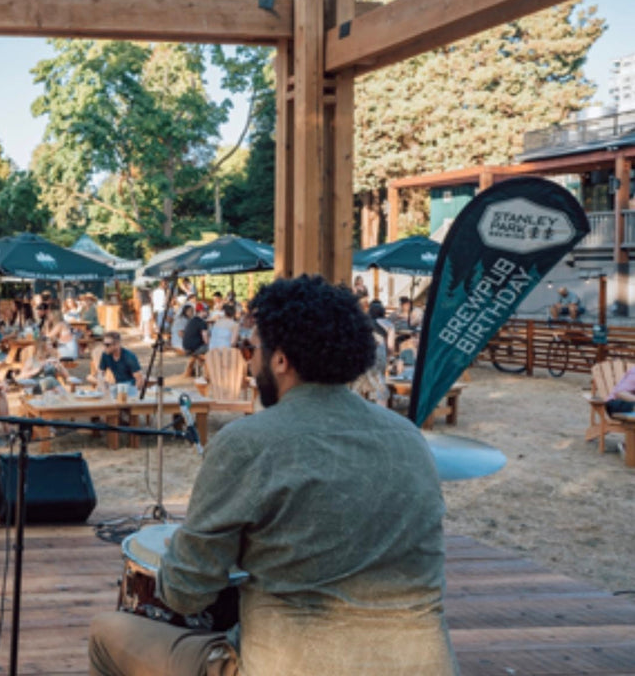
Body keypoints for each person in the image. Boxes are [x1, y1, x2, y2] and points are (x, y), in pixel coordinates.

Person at [87, 275, 456, 676]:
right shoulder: (409, 438)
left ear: (281, 360)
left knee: (107, 633)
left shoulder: (248, 442)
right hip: (423, 666)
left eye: (252, 348)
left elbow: (185, 593)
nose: (249, 359)